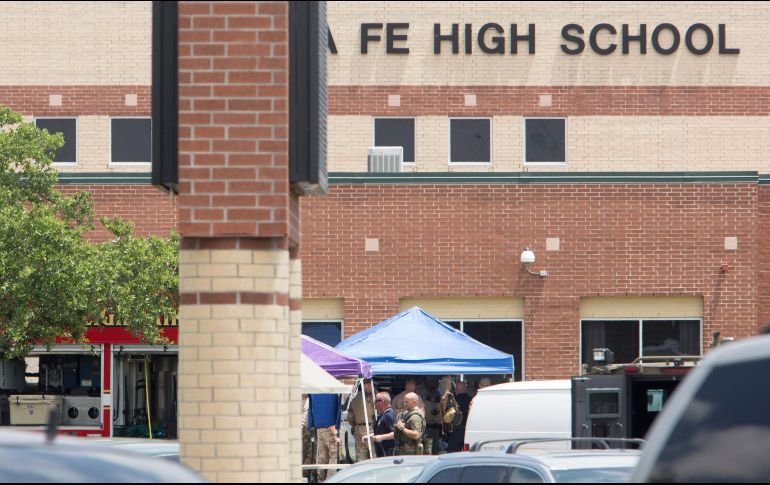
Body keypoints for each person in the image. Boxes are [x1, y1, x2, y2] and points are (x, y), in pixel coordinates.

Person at [308, 393, 341, 481]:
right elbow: (339, 406)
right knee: (334, 456)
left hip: (319, 426)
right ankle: (332, 480)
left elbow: (310, 407)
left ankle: (320, 480)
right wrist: (337, 425)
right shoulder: (333, 387)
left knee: (322, 457)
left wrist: (311, 425)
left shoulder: (315, 389)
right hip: (331, 425)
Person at [347, 379, 376, 462]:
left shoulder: (355, 398)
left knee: (361, 457)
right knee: (373, 455)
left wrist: (354, 426)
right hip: (370, 428)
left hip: (358, 428)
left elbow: (350, 417)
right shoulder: (375, 396)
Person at [364, 392, 397, 457]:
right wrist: (370, 436)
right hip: (382, 451)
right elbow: (382, 431)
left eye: (375, 401)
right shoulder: (383, 415)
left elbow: (396, 433)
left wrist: (381, 437)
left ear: (381, 402)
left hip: (389, 452)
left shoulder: (389, 415)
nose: (374, 403)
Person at [448, 381, 472, 452]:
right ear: (466, 389)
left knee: (452, 455)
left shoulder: (453, 401)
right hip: (468, 430)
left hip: (456, 431)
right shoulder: (471, 400)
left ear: (456, 390)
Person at [421, 378, 442, 454]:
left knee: (435, 447)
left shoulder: (438, 394)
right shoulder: (423, 395)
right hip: (427, 425)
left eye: (435, 383)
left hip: (436, 425)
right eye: (431, 382)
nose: (433, 384)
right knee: (427, 448)